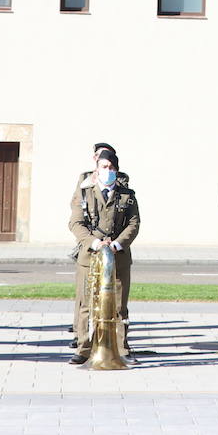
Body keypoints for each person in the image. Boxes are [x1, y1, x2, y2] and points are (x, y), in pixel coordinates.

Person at [68, 148, 139, 365]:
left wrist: (117, 244)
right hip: (90, 256)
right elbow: (76, 223)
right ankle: (83, 348)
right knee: (86, 304)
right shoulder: (84, 193)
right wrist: (94, 243)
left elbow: (133, 223)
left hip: (118, 257)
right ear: (97, 170)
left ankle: (121, 348)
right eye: (103, 167)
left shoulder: (127, 195)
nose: (107, 171)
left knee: (118, 305)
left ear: (116, 171)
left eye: (111, 168)